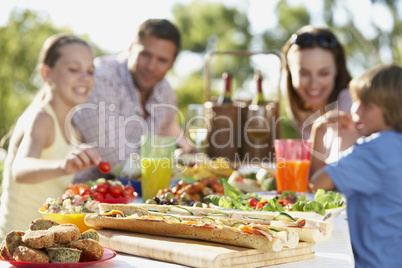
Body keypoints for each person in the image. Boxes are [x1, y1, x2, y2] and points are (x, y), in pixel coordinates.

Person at [0, 33, 102, 239]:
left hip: (46, 240)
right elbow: (21, 169)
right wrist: (63, 166)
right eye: (73, 69)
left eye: (90, 71)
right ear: (47, 73)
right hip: (17, 243)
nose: (84, 77)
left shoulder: (74, 130)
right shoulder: (41, 118)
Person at [73, 19, 192, 183]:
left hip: (141, 195)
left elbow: (163, 147)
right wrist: (174, 163)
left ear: (172, 63)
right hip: (87, 197)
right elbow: (119, 162)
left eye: (162, 60)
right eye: (145, 54)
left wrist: (185, 153)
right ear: (130, 49)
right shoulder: (100, 78)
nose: (151, 66)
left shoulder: (166, 93)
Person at [311, 63, 402, 267]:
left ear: (394, 109)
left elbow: (315, 185)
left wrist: (319, 131)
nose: (355, 111)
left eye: (366, 106)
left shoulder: (375, 149)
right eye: (355, 101)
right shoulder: (394, 144)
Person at [282, 25, 359, 176]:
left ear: (337, 70)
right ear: (290, 72)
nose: (313, 84)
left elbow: (327, 178)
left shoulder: (350, 103)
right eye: (303, 73)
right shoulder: (300, 110)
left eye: (323, 73)